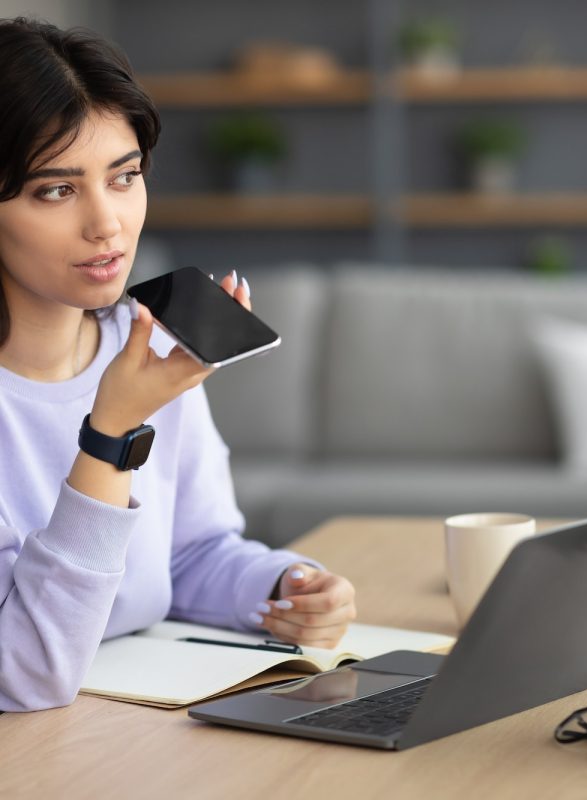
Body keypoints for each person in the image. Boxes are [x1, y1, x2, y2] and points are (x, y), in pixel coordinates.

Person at [0, 17, 356, 712]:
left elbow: (190, 553)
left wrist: (284, 586)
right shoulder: (132, 386)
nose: (107, 224)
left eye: (124, 177)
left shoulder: (142, 347)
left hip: (135, 722)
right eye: (57, 190)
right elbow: (22, 671)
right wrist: (110, 434)